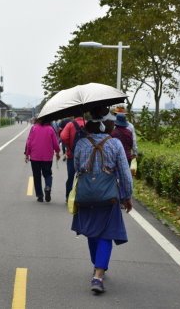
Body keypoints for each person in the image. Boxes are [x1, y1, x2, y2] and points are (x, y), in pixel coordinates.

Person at [71, 107, 133, 294]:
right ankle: (98, 275)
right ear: (106, 127)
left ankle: (97, 264)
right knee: (106, 233)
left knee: (91, 232)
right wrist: (127, 196)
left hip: (86, 196)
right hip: (109, 197)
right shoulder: (115, 144)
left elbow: (76, 168)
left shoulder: (81, 144)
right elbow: (124, 174)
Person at [24, 118, 61, 202]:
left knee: (36, 176)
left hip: (35, 156)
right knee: (47, 173)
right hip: (47, 156)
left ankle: (39, 196)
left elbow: (29, 142)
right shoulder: (50, 129)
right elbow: (55, 142)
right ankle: (48, 187)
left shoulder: (33, 128)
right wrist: (58, 152)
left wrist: (27, 154)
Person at [60, 115, 85, 202]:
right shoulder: (87, 124)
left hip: (72, 155)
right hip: (85, 157)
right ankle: (82, 197)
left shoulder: (70, 124)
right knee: (84, 177)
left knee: (70, 177)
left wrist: (69, 147)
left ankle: (68, 197)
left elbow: (63, 137)